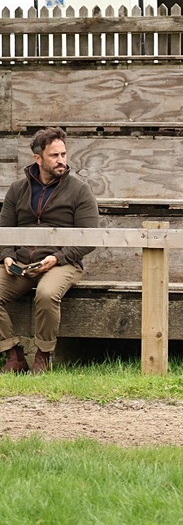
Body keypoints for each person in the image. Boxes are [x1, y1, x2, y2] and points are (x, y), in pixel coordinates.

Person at [0, 127, 99, 374]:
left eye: (63, 154)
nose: (61, 160)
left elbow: (90, 237)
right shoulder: (17, 190)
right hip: (22, 263)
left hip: (64, 262)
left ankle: (43, 356)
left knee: (45, 293)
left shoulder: (79, 190)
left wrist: (57, 257)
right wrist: (7, 256)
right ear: (38, 158)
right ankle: (13, 354)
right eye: (54, 155)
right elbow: (3, 229)